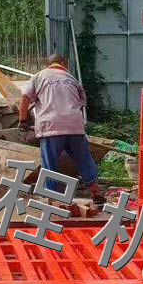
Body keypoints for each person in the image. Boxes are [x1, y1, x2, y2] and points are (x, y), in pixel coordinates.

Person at [19, 54, 105, 206]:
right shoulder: (72, 79)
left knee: (49, 165)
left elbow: (25, 98)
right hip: (75, 127)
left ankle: (52, 200)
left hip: (50, 127)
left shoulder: (38, 77)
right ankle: (96, 194)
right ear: (63, 63)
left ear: (48, 65)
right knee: (84, 160)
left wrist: (23, 120)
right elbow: (81, 103)